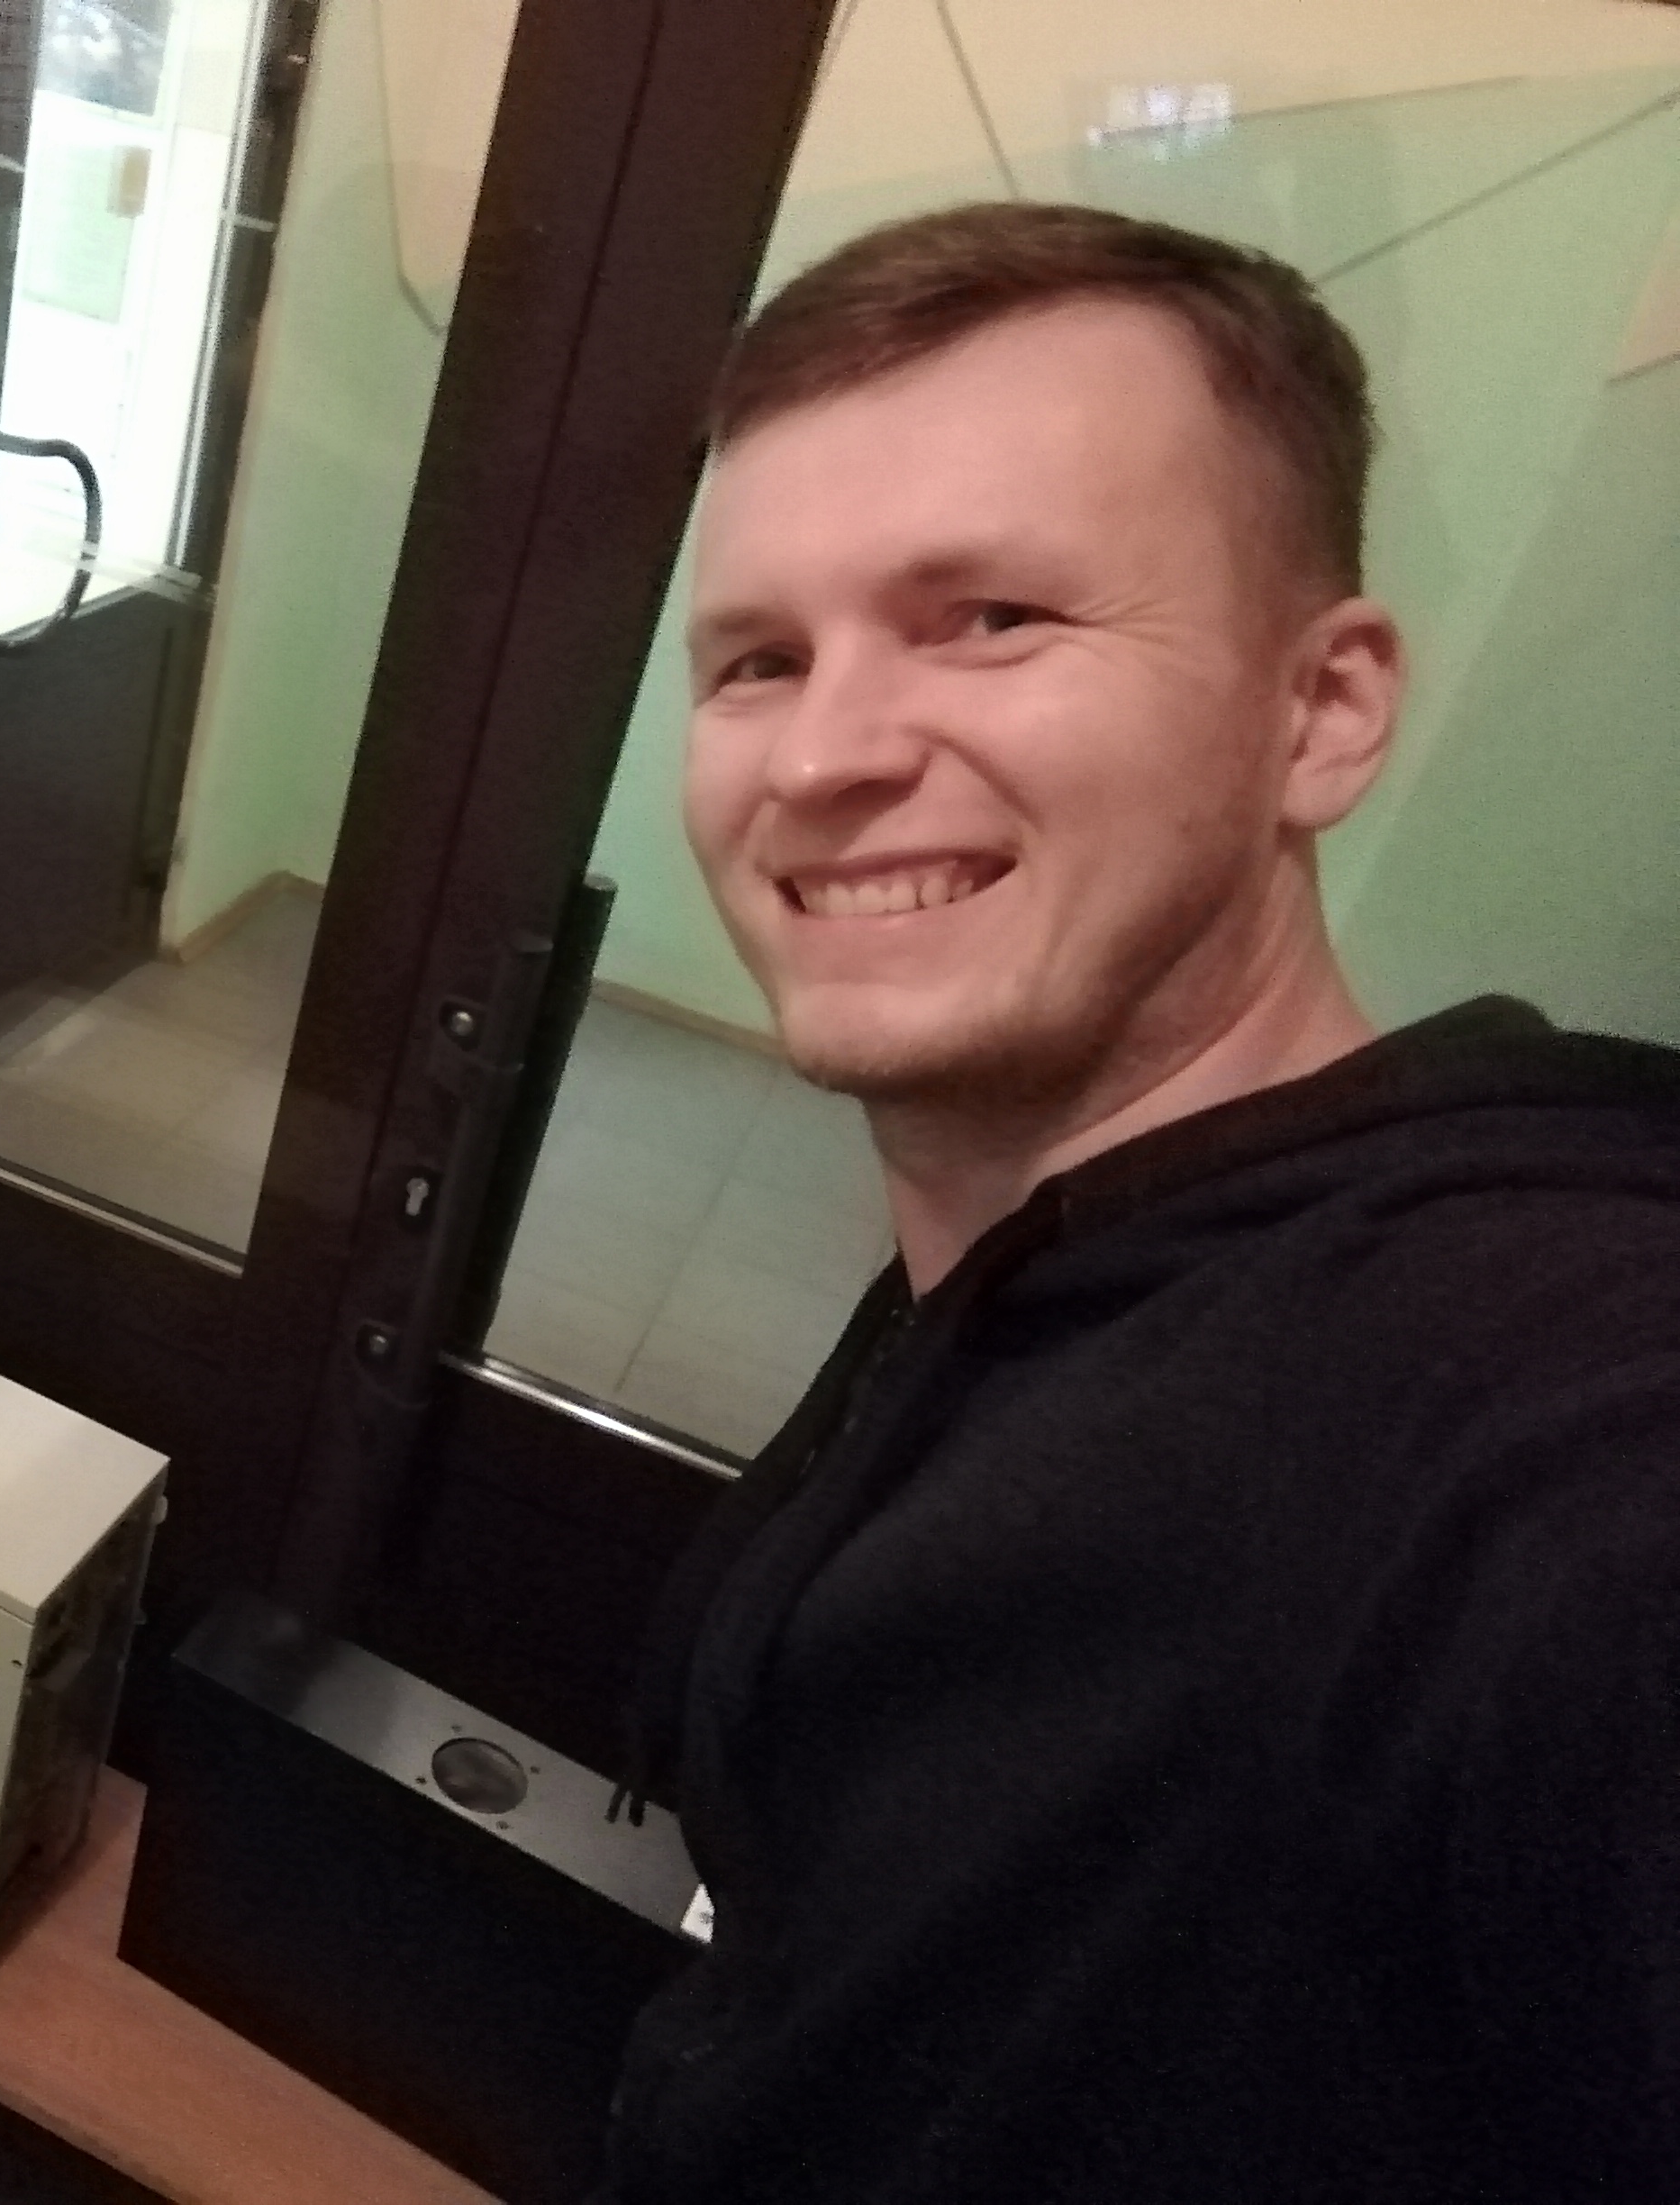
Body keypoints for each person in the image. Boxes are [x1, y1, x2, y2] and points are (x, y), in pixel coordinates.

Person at [605, 202, 1680, 2200]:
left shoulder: (1528, 1411)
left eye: (992, 618)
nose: (823, 755)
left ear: (1321, 712)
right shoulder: (1025, 1275)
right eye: (758, 660)